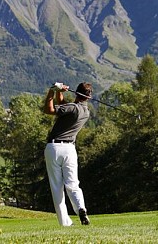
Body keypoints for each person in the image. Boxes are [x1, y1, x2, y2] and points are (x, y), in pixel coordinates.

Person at [43, 82, 92, 226]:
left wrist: (52, 91)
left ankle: (65, 223)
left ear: (76, 93)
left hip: (54, 148)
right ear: (89, 97)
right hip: (70, 149)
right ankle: (81, 209)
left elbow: (49, 110)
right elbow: (64, 105)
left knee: (57, 187)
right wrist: (60, 92)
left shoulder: (72, 108)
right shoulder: (85, 112)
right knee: (73, 184)